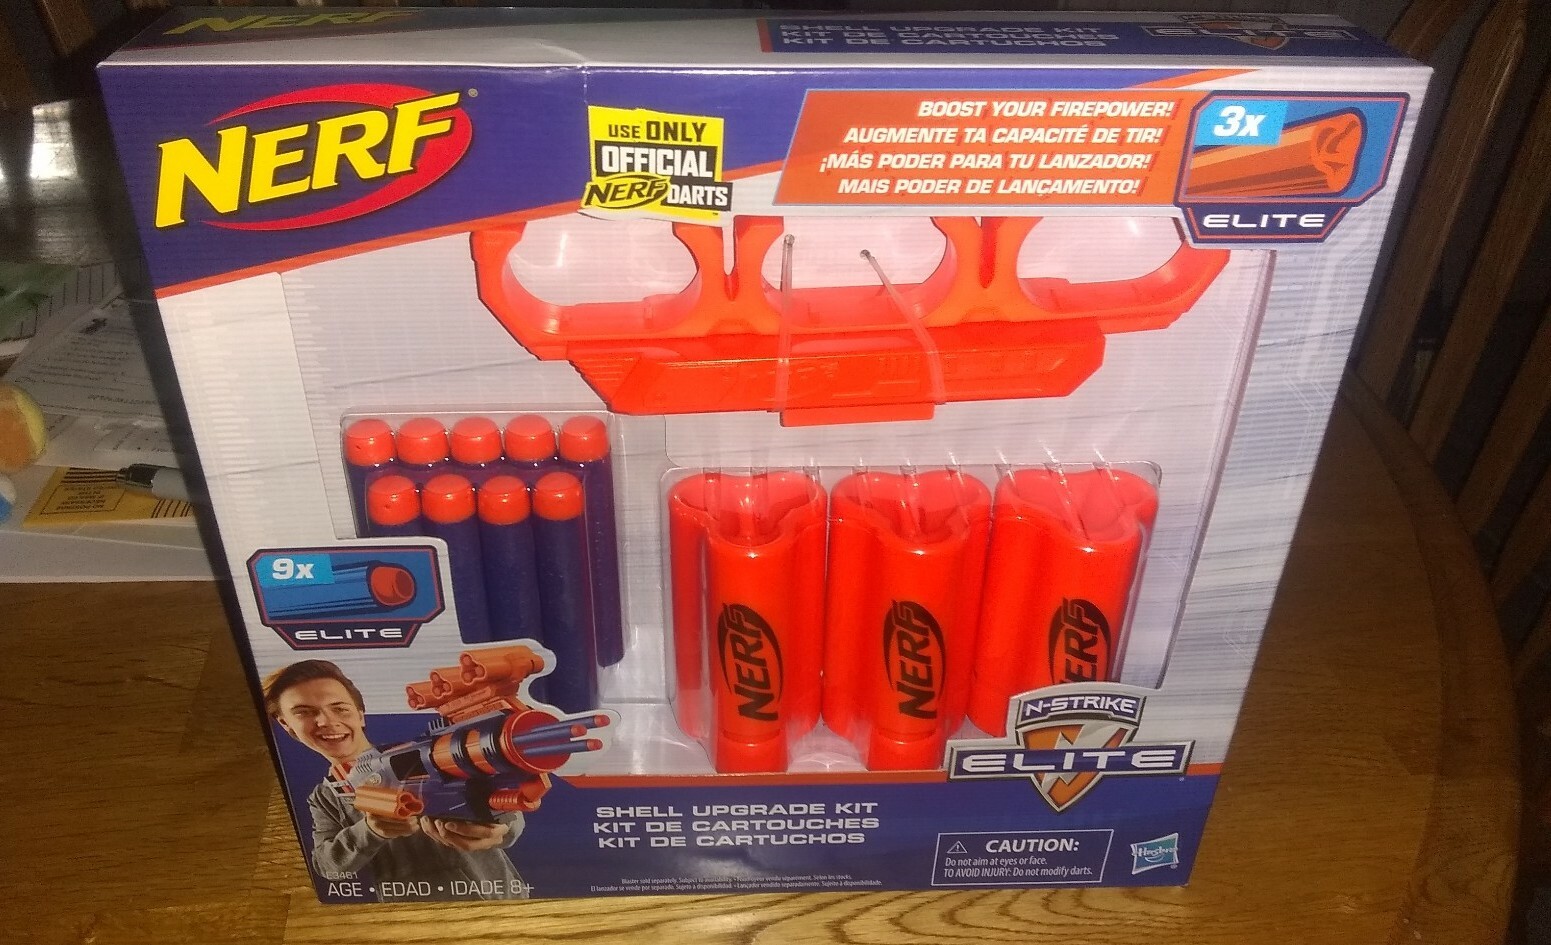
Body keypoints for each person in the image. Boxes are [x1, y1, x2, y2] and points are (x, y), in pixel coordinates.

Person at [262, 659, 529, 900]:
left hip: (496, 898)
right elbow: (327, 867)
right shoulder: (325, 797)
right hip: (410, 914)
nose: (326, 721)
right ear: (286, 725)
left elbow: (506, 809)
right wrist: (370, 831)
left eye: (340, 708)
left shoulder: (423, 753)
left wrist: (500, 827)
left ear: (360, 714)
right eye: (304, 712)